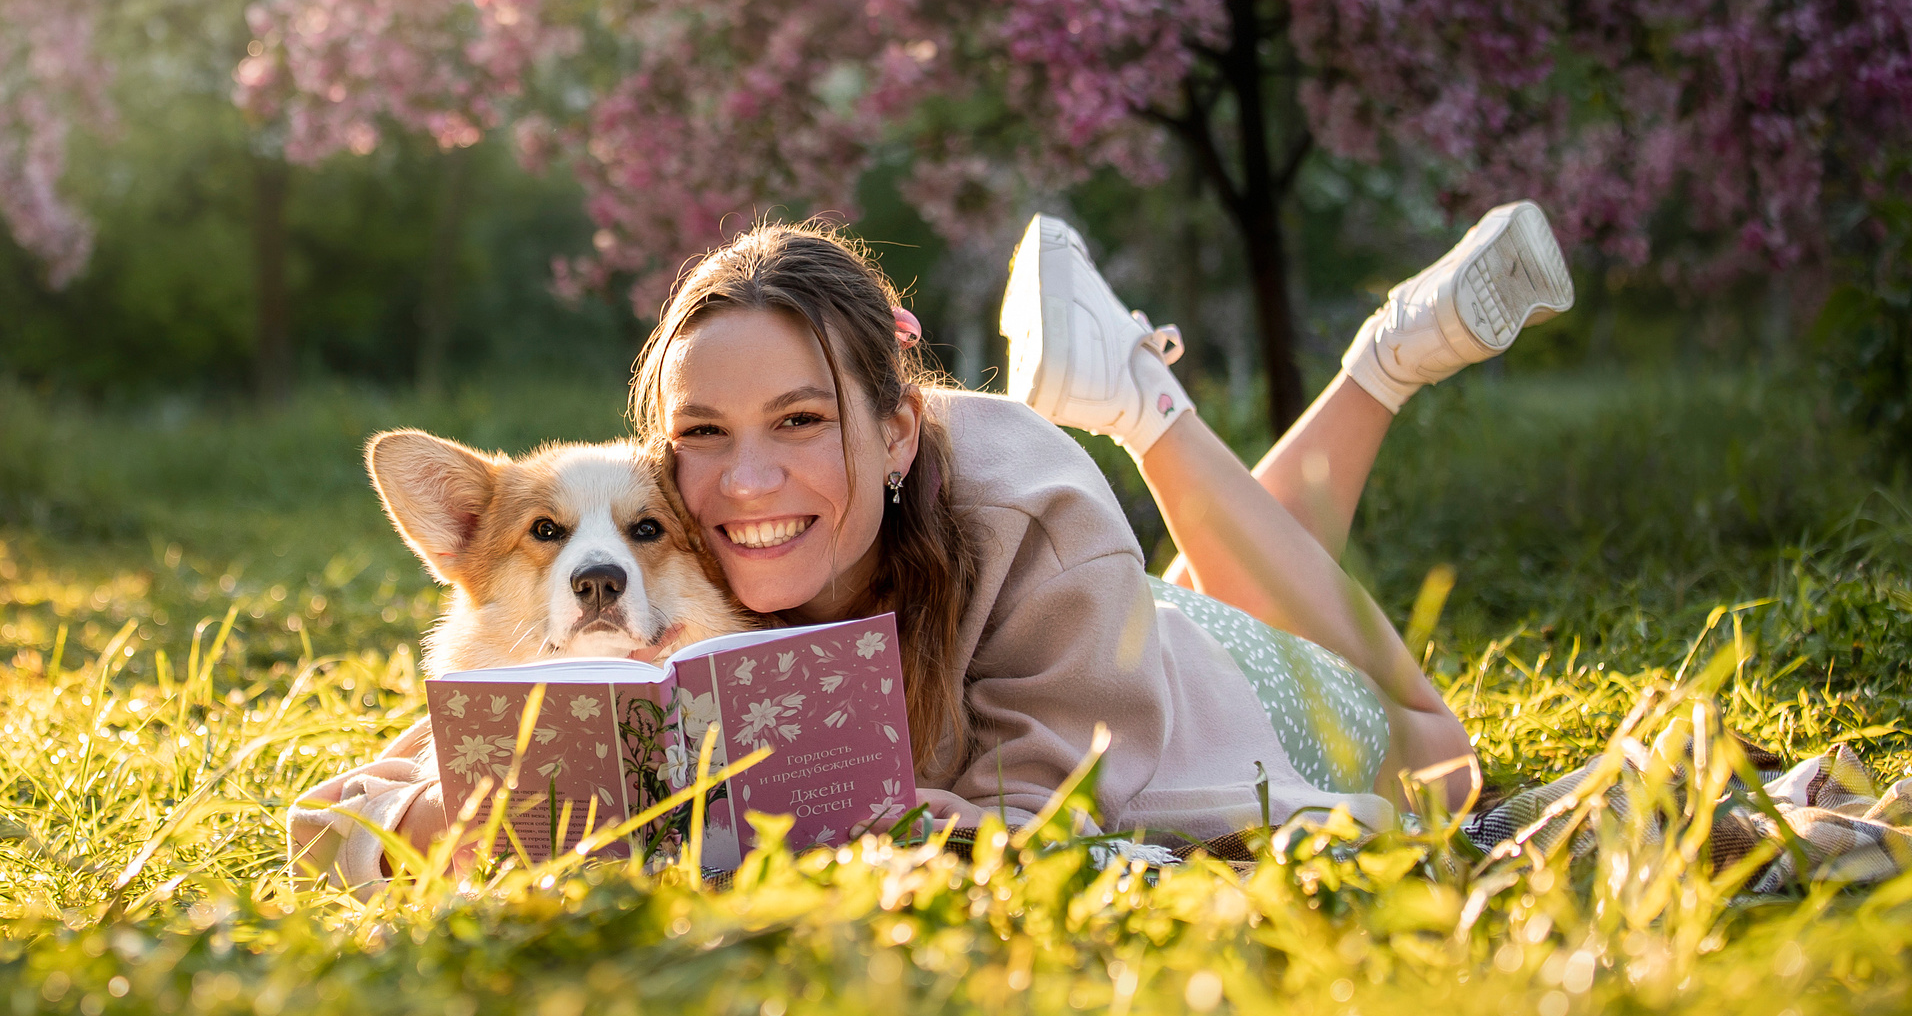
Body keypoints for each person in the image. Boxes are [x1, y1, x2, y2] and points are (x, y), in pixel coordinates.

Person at [293, 205, 1573, 882]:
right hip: (1141, 625)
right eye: (702, 436)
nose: (743, 481)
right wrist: (443, 816)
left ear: (895, 429)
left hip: (1218, 702)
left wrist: (858, 835)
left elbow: (1049, 819)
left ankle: (1149, 403)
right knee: (1188, 590)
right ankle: (1383, 360)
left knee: (1435, 747)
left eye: (801, 421)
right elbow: (392, 785)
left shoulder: (1025, 521)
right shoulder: (674, 566)